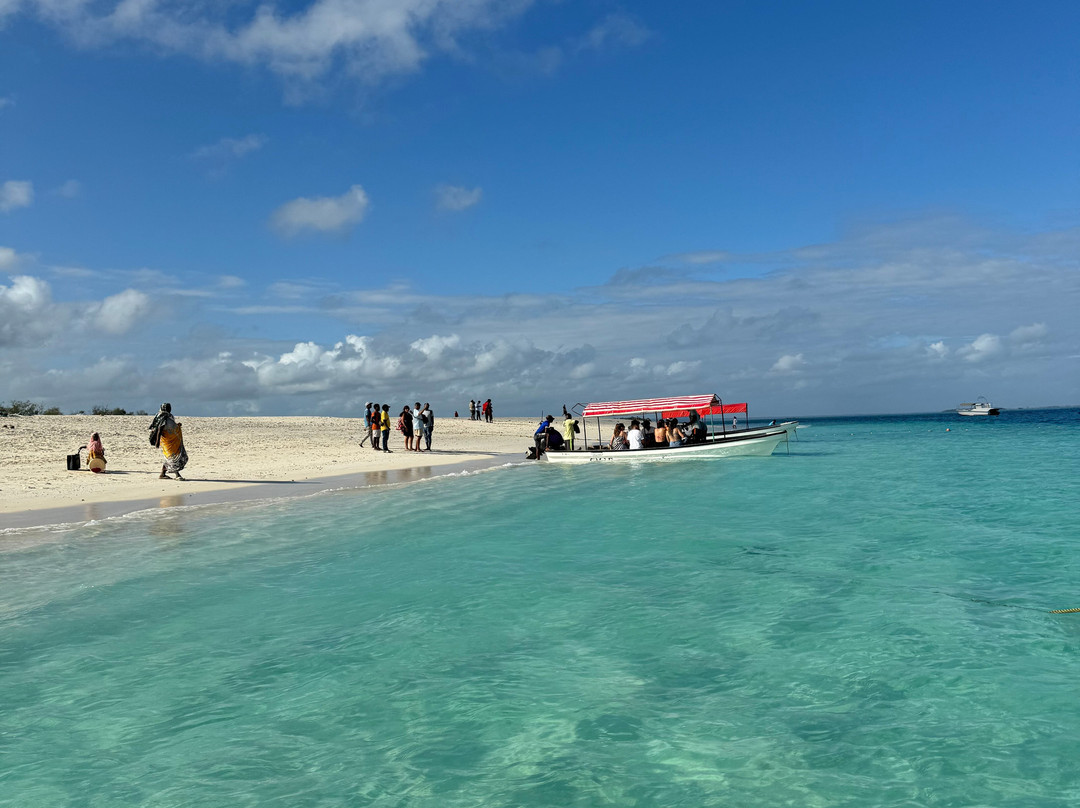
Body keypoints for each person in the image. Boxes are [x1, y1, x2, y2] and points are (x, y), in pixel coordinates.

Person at [148, 402, 188, 480]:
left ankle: (162, 474)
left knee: (168, 457)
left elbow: (170, 426)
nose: (169, 409)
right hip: (167, 441)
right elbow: (160, 429)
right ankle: (177, 475)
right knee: (172, 457)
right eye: (168, 408)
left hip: (173, 440)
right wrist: (157, 441)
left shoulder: (169, 416)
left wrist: (177, 425)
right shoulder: (162, 416)